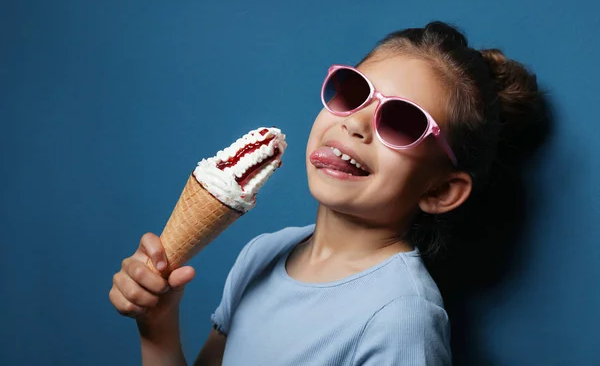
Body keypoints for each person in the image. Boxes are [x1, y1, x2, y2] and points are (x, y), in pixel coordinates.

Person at [109, 21, 543, 365]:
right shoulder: (263, 254)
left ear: (443, 190)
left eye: (401, 122)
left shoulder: (401, 318)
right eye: (354, 93)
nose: (356, 124)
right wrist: (157, 325)